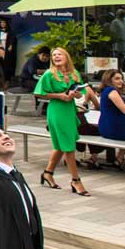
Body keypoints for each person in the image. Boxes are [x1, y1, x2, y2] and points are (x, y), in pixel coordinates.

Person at [33, 47, 90, 196]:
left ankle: (48, 173)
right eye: (54, 55)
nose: (56, 57)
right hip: (57, 110)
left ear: (66, 57)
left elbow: (81, 94)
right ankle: (75, 180)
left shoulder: (74, 73)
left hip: (70, 110)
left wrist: (76, 94)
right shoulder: (49, 74)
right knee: (68, 146)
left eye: (59, 54)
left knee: (61, 144)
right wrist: (59, 96)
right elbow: (39, 93)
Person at [97, 69, 125, 168]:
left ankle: (119, 159)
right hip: (115, 128)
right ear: (109, 79)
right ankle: (119, 158)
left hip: (106, 128)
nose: (121, 81)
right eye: (117, 78)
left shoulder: (105, 91)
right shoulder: (111, 91)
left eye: (121, 78)